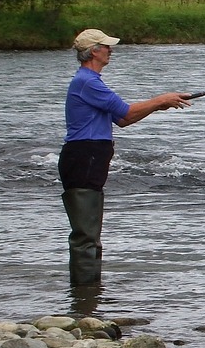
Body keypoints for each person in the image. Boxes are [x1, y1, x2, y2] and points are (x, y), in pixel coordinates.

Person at [61, 28, 192, 287]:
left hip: (88, 158)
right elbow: (126, 111)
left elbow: (122, 119)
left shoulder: (89, 82)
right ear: (94, 51)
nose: (111, 50)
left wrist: (159, 105)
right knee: (86, 234)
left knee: (89, 231)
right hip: (84, 157)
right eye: (106, 46)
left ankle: (88, 297)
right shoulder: (88, 82)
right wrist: (161, 98)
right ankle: (84, 295)